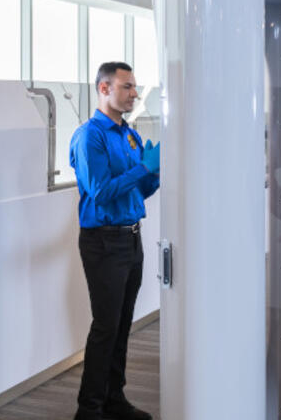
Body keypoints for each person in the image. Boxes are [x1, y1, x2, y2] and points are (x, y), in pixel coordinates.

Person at [69, 61, 159, 420]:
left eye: (135, 87)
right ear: (104, 89)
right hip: (103, 243)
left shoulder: (129, 135)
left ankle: (113, 399)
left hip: (131, 240)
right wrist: (142, 168)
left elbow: (137, 192)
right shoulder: (89, 135)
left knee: (122, 325)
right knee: (105, 327)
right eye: (127, 87)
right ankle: (88, 409)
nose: (135, 94)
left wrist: (154, 172)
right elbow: (101, 191)